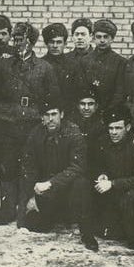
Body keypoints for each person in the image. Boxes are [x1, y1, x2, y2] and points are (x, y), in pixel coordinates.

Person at [0, 21, 59, 225]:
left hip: (32, 122)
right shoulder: (3, 64)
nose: (18, 43)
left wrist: (44, 119)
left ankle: (26, 209)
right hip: (7, 121)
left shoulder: (44, 67)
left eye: (22, 40)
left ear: (32, 42)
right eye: (16, 39)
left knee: (29, 166)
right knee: (7, 166)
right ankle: (7, 209)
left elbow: (53, 96)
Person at [19, 99, 98, 251]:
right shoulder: (36, 134)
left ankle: (87, 234)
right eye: (46, 115)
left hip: (67, 188)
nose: (50, 119)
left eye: (54, 114)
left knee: (81, 183)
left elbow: (78, 167)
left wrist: (51, 183)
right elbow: (29, 168)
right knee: (35, 224)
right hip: (47, 191)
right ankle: (56, 216)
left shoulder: (73, 132)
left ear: (61, 114)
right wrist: (31, 198)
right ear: (42, 117)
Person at [88, 105, 134, 249]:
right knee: (107, 234)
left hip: (133, 195)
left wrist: (113, 183)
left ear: (127, 127)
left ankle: (133, 238)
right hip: (112, 193)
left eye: (118, 128)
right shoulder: (103, 142)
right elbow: (97, 164)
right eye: (111, 128)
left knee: (131, 198)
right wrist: (102, 175)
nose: (114, 132)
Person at [79, 19, 126, 113]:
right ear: (93, 38)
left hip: (110, 111)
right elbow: (82, 88)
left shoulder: (120, 62)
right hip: (89, 111)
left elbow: (120, 92)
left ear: (112, 39)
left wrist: (108, 110)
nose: (102, 40)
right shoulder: (85, 60)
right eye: (99, 37)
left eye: (106, 37)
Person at [41, 22, 83, 115]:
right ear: (46, 43)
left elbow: (77, 94)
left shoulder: (74, 66)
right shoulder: (39, 65)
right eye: (52, 42)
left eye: (59, 42)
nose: (55, 46)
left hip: (69, 113)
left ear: (65, 44)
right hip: (45, 114)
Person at [67, 85, 106, 155]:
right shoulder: (70, 123)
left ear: (96, 106)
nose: (86, 108)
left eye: (90, 104)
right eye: (82, 104)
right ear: (77, 106)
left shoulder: (102, 124)